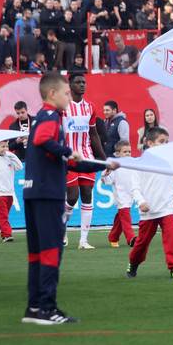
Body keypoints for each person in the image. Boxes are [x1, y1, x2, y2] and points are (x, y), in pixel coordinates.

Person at [23, 73, 116, 324]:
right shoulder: (51, 116)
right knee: (52, 251)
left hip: (33, 192)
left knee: (37, 254)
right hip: (48, 194)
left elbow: (69, 164)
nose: (69, 97)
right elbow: (45, 140)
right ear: (52, 94)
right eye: (65, 93)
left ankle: (34, 308)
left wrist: (103, 164)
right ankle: (47, 308)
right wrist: (68, 151)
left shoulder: (42, 118)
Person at [126, 128, 173, 280]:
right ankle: (133, 263)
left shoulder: (170, 162)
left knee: (172, 238)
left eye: (167, 142)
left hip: (167, 208)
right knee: (142, 243)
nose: (165, 145)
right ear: (149, 143)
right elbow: (134, 188)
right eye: (161, 142)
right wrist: (141, 202)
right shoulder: (139, 163)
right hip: (148, 211)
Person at [62, 72, 104, 250]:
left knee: (87, 194)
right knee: (72, 196)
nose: (82, 85)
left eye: (84, 82)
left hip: (87, 157)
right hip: (68, 158)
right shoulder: (62, 107)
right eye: (78, 82)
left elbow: (93, 135)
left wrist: (103, 159)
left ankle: (83, 240)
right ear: (70, 85)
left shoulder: (90, 107)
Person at [104, 140, 137, 248]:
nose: (128, 154)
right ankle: (131, 238)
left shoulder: (133, 163)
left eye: (129, 152)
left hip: (130, 195)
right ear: (118, 154)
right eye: (125, 152)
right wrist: (106, 174)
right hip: (120, 196)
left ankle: (113, 237)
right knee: (126, 217)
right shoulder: (114, 167)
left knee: (121, 218)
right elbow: (107, 181)